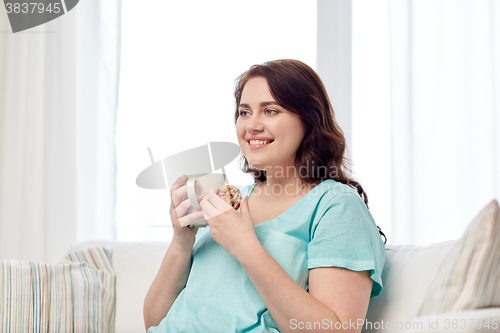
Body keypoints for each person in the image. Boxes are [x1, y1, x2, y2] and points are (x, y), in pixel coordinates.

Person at [144, 59, 386, 333]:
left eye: (270, 111)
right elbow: (153, 322)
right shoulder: (228, 204)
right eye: (244, 112)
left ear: (309, 120)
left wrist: (245, 246)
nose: (252, 126)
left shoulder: (336, 206)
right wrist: (181, 241)